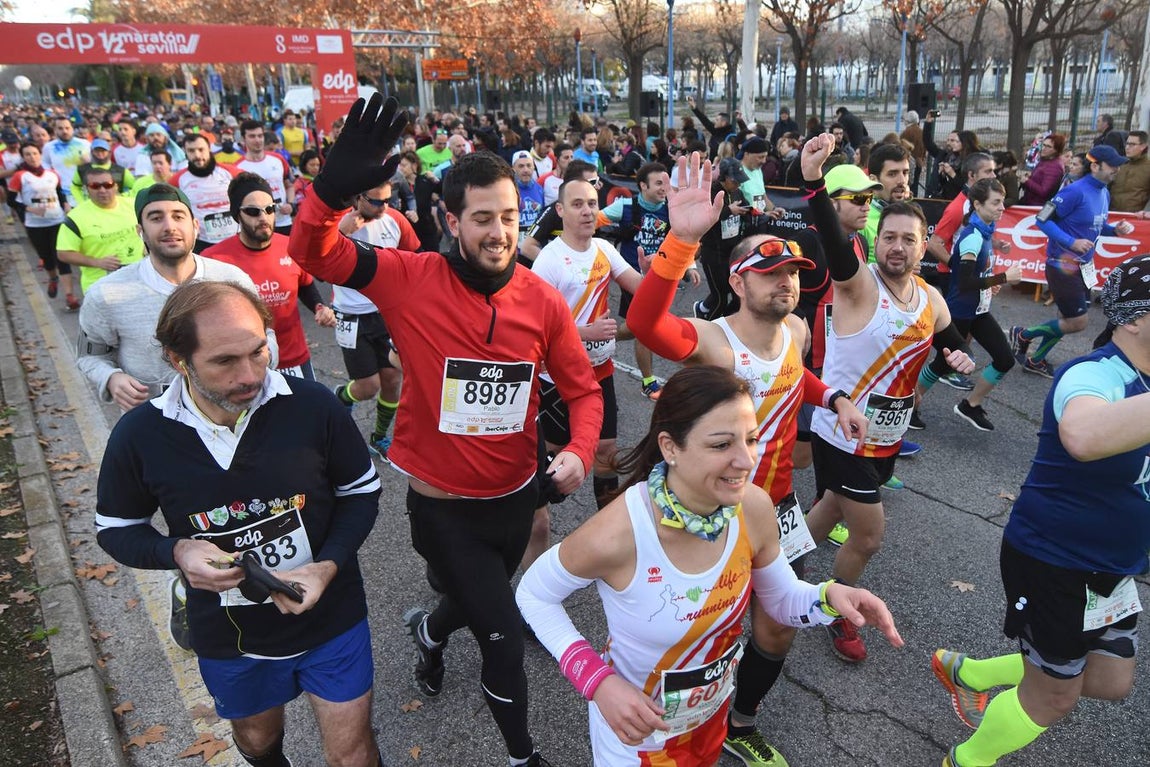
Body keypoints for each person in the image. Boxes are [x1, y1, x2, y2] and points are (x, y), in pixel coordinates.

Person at [288, 95, 603, 767]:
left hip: (516, 499)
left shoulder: (541, 299)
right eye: (482, 218)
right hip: (445, 509)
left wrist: (578, 450)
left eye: (509, 217)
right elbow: (310, 251)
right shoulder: (408, 277)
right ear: (451, 220)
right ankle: (523, 758)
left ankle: (429, 632)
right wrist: (329, 194)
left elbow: (581, 390)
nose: (499, 233)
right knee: (501, 632)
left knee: (473, 598)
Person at [516, 364, 902, 766]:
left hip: (707, 724)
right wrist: (597, 682)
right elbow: (534, 595)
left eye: (751, 439)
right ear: (670, 448)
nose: (745, 461)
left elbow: (781, 599)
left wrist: (830, 596)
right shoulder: (619, 532)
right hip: (636, 742)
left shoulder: (752, 507)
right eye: (721, 445)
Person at [95, 280, 385, 767]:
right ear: (178, 359)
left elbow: (359, 492)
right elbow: (116, 528)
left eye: (257, 351)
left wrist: (327, 566)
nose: (249, 375)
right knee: (257, 742)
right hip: (230, 635)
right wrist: (177, 551)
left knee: (352, 754)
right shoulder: (141, 434)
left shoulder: (313, 406)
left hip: (331, 617)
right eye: (225, 361)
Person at [933, 254, 1150, 767]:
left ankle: (975, 674)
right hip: (1057, 561)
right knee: (1054, 696)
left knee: (1111, 681)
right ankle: (966, 760)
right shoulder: (1093, 374)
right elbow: (1084, 435)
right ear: (1136, 318)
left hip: (1112, 567)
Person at [799, 134, 974, 663]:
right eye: (889, 237)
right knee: (869, 536)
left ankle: (774, 567)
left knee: (830, 507)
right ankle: (837, 613)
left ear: (923, 246)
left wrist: (958, 357)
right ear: (878, 241)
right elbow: (834, 244)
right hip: (842, 430)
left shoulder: (930, 298)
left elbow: (950, 343)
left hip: (887, 435)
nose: (897, 246)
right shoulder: (859, 285)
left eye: (908, 239)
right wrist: (813, 183)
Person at [1009, 145, 1136, 378]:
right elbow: (1041, 219)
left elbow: (1095, 226)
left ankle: (1036, 360)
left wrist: (1115, 231)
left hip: (1083, 266)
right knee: (1077, 322)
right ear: (1095, 166)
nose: (1117, 169)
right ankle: (1024, 334)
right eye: (1112, 165)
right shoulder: (1074, 191)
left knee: (1066, 319)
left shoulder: (1104, 192)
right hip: (1062, 265)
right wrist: (1071, 242)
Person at [202, 173, 335, 381]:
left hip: (293, 358)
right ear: (237, 215)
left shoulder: (291, 246)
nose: (263, 218)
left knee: (311, 404)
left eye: (269, 209)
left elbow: (305, 285)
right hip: (245, 366)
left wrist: (319, 307)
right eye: (253, 211)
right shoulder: (213, 260)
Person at [916, 178, 1022, 431]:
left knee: (1005, 359)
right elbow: (963, 282)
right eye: (995, 202)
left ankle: (970, 405)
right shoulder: (973, 236)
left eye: (1002, 202)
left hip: (978, 311)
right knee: (943, 363)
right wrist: (1002, 278)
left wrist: (989, 282)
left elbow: (970, 273)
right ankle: (909, 405)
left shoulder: (985, 231)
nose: (1002, 207)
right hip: (960, 312)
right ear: (977, 204)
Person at [333, 180, 422, 459]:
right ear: (358, 197)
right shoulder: (338, 223)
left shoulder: (394, 219)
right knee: (367, 387)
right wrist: (340, 234)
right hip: (351, 314)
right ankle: (341, 396)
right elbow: (314, 260)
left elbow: (413, 258)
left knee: (393, 379)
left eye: (387, 200)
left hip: (387, 313)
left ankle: (380, 437)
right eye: (376, 201)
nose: (383, 207)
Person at [9, 142, 79, 309]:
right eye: (27, 154)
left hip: (57, 221)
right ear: (23, 157)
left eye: (34, 153)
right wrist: (29, 208)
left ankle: (70, 296)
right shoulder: (20, 176)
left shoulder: (52, 173)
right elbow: (11, 201)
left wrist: (65, 205)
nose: (32, 157)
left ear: (40, 154)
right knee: (46, 256)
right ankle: (53, 278)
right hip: (35, 224)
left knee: (61, 256)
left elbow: (59, 193)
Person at [56, 166, 146, 295]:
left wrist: (148, 247)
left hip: (139, 280)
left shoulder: (134, 205)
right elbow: (63, 253)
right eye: (95, 186)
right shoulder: (75, 218)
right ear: (86, 189)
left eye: (107, 185)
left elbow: (151, 229)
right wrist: (97, 262)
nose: (102, 190)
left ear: (115, 186)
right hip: (101, 286)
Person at [693, 158, 754, 320]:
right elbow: (704, 218)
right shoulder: (711, 192)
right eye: (735, 181)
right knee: (720, 298)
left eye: (740, 181)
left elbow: (747, 209)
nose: (738, 185)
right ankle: (706, 328)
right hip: (713, 253)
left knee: (737, 297)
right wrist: (728, 211)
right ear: (724, 177)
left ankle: (723, 324)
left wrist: (765, 214)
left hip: (732, 253)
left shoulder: (737, 192)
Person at [170, 133, 241, 252]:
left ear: (209, 149)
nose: (197, 155)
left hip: (235, 238)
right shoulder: (177, 180)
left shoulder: (230, 173)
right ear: (185, 153)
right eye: (191, 151)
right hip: (202, 242)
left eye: (201, 149)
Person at [238, 120, 296, 236]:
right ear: (244, 139)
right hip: (257, 225)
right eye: (252, 136)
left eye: (260, 136)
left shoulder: (278, 159)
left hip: (283, 221)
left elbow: (289, 185)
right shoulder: (238, 167)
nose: (257, 140)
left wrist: (290, 204)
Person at [1018, 133, 1065, 206]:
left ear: (1057, 150)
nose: (1043, 148)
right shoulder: (1045, 159)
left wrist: (1027, 181)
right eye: (1043, 145)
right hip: (1030, 202)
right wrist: (1030, 177)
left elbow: (1044, 191)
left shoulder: (1055, 167)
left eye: (1048, 146)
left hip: (1037, 206)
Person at [1109, 130, 1150, 213]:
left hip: (1136, 218)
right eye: (1127, 144)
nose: (1127, 147)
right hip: (1112, 215)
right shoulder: (1120, 165)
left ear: (1143, 146)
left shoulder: (1147, 168)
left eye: (1132, 144)